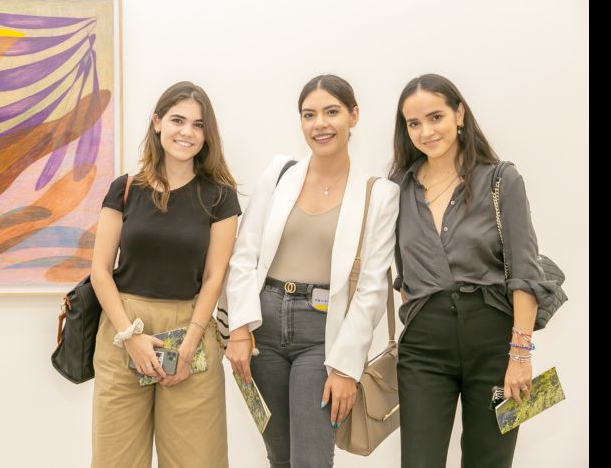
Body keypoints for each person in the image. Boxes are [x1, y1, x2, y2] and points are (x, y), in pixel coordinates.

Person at [224, 74, 399, 468]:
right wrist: (238, 329)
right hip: (261, 331)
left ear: (353, 116)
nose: (320, 123)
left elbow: (371, 289)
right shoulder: (279, 173)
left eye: (332, 112)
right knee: (279, 456)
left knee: (312, 461)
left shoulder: (379, 194)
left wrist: (345, 367)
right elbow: (243, 254)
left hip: (322, 335)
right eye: (309, 114)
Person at [389, 73, 558, 468]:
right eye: (413, 123)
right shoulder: (396, 188)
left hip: (495, 345)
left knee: (489, 462)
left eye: (435, 117)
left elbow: (525, 274)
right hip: (423, 350)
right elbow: (402, 272)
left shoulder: (501, 179)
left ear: (459, 113)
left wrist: (520, 355)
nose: (426, 131)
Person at [89, 81, 240, 468]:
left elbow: (214, 276)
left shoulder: (220, 196)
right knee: (116, 461)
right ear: (157, 123)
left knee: (197, 460)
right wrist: (131, 337)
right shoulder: (124, 190)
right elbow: (100, 271)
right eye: (177, 120)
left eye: (198, 124)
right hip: (124, 329)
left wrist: (189, 344)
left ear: (207, 135)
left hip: (192, 328)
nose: (186, 132)